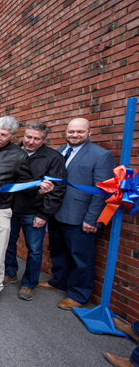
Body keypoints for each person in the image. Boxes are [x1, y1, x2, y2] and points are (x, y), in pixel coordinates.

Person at [0, 116, 54, 306]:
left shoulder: (19, 155)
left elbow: (23, 183)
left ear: (12, 135)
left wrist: (38, 189)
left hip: (0, 209)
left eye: (4, 135)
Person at [38, 118, 116, 310]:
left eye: (80, 132)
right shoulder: (58, 152)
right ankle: (60, 281)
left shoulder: (101, 155)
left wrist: (92, 219)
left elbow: (102, 191)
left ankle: (79, 294)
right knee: (58, 251)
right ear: (66, 132)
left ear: (89, 132)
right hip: (57, 213)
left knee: (81, 257)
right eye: (71, 131)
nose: (75, 135)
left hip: (81, 217)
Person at [3, 123, 67, 301]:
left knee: (35, 250)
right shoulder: (13, 152)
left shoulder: (54, 157)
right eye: (28, 137)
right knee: (8, 244)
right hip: (10, 208)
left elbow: (58, 189)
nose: (30, 141)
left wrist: (43, 214)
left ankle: (29, 284)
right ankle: (10, 273)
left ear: (44, 139)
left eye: (36, 138)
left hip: (34, 211)